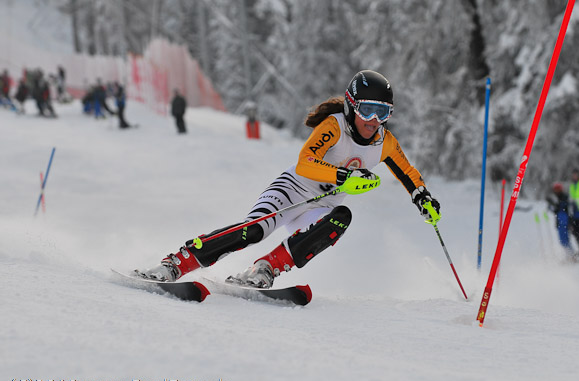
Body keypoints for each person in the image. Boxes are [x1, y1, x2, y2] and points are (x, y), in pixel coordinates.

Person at [135, 70, 440, 287]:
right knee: (254, 231)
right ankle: (177, 263)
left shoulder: (384, 142)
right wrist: (344, 176)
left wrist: (422, 197)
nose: (373, 122)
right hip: (292, 190)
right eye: (367, 111)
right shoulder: (334, 126)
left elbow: (407, 172)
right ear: (351, 106)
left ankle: (267, 267)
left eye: (382, 113)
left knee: (340, 217)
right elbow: (306, 162)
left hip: (322, 206)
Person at [547, 182, 574, 259]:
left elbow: (566, 207)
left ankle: (571, 255)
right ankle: (569, 255)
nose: (557, 190)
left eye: (558, 189)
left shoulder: (565, 197)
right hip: (559, 221)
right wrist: (551, 204)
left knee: (565, 240)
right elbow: (552, 209)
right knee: (562, 241)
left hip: (565, 221)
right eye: (556, 189)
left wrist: (571, 222)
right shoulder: (554, 197)